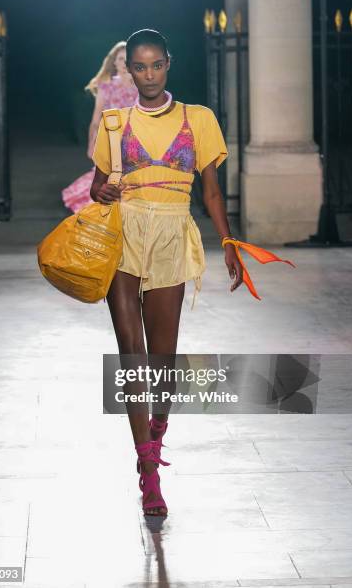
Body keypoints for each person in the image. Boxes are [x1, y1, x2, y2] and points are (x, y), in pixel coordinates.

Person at [90, 29, 243, 517]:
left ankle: (157, 427)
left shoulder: (197, 120)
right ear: (129, 70)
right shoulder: (114, 123)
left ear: (168, 65)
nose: (149, 74)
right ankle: (148, 471)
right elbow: (96, 185)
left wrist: (229, 241)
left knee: (163, 356)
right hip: (124, 235)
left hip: (173, 235)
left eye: (157, 65)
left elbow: (212, 191)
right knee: (131, 354)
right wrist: (105, 192)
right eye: (140, 66)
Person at [62, 42, 138, 212]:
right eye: (120, 59)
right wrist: (91, 144)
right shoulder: (107, 87)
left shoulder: (142, 87)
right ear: (115, 63)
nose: (124, 64)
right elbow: (96, 119)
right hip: (111, 142)